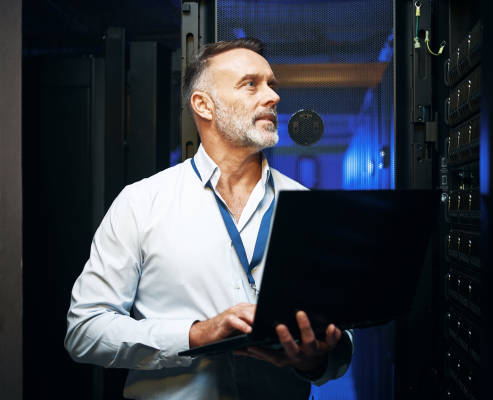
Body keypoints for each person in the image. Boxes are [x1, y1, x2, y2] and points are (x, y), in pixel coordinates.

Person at [64, 38, 353, 399]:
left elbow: (341, 335)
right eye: (251, 84)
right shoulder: (141, 203)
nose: (273, 97)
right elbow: (85, 331)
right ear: (204, 105)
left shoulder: (308, 208)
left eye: (272, 85)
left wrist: (314, 360)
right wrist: (194, 335)